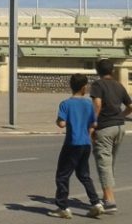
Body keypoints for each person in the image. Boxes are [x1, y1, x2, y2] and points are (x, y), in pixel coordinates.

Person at [47, 73, 104, 219]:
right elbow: (94, 123)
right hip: (85, 144)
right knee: (84, 175)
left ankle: (63, 207)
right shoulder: (88, 104)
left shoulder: (66, 104)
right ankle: (96, 203)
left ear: (71, 86)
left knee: (62, 176)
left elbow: (61, 123)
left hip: (72, 143)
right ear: (85, 87)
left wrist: (59, 121)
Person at [90, 58, 132, 214]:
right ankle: (107, 196)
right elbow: (130, 107)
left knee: (104, 164)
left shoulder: (98, 85)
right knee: (110, 163)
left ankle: (109, 201)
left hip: (105, 128)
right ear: (112, 71)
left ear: (98, 71)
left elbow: (98, 104)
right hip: (120, 127)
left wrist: (93, 124)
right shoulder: (119, 85)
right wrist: (119, 115)